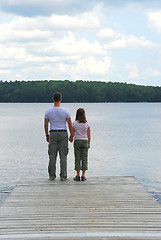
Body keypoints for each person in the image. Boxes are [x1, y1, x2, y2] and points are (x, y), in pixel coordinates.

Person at [44, 92, 73, 181]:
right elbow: (69, 124)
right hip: (63, 133)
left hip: (53, 133)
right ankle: (63, 176)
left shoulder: (48, 111)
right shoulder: (65, 111)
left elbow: (45, 124)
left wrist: (47, 135)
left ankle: (52, 176)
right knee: (63, 156)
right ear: (61, 99)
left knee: (52, 156)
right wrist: (72, 135)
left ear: (53, 99)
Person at [69, 108, 91, 181]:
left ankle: (78, 175)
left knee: (77, 158)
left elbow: (72, 133)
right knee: (84, 158)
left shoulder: (74, 123)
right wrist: (89, 143)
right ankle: (83, 175)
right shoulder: (87, 124)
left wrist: (71, 138)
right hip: (85, 141)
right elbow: (89, 135)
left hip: (77, 141)